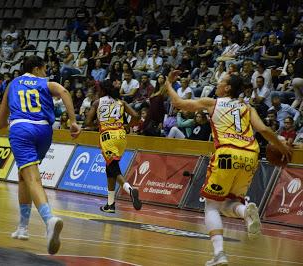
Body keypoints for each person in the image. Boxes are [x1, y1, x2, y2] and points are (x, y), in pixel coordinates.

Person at [165, 70, 292, 266]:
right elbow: (265, 130)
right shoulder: (247, 107)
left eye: (221, 81)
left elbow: (179, 104)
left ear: (228, 88)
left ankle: (219, 253)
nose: (217, 84)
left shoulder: (212, 103)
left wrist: (168, 85)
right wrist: (282, 145)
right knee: (227, 204)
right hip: (250, 157)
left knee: (211, 206)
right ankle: (245, 212)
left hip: (226, 154)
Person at [0, 55, 81, 255]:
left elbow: (1, 120)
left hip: (22, 130)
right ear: (36, 69)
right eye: (44, 69)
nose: (46, 73)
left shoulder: (13, 84)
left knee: (32, 178)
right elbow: (64, 91)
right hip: (44, 131)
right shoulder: (45, 83)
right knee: (23, 176)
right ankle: (23, 227)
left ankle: (49, 219)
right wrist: (74, 121)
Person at [85, 80, 142, 213]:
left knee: (113, 168)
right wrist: (128, 126)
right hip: (121, 136)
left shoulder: (97, 102)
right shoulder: (121, 102)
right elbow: (136, 116)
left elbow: (87, 122)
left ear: (103, 90)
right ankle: (110, 204)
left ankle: (130, 190)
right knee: (110, 168)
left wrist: (98, 124)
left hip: (108, 136)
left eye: (99, 90)